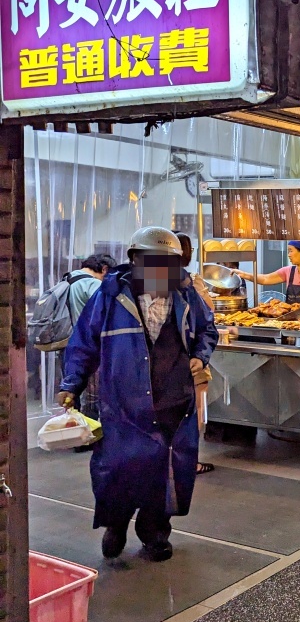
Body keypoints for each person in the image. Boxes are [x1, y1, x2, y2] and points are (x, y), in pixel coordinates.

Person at [57, 226, 218, 562]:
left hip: (174, 402)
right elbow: (84, 342)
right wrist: (71, 384)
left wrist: (199, 355)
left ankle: (154, 533)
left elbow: (207, 329)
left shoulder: (186, 295)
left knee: (167, 471)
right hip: (123, 403)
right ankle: (115, 524)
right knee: (118, 468)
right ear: (135, 261)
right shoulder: (110, 296)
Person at [175, 233, 216, 476]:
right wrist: (200, 357)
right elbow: (208, 315)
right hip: (191, 361)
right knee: (195, 410)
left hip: (182, 360)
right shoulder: (192, 283)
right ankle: (190, 460)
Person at [65, 253, 117, 422]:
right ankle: (89, 434)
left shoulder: (68, 279)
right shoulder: (93, 285)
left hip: (68, 344)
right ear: (104, 269)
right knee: (92, 396)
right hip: (90, 346)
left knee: (74, 394)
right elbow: (106, 313)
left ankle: (74, 432)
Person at [236, 241, 300, 312]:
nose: (289, 255)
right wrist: (243, 274)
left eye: (291, 251)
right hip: (290, 321)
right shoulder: (288, 271)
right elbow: (266, 279)